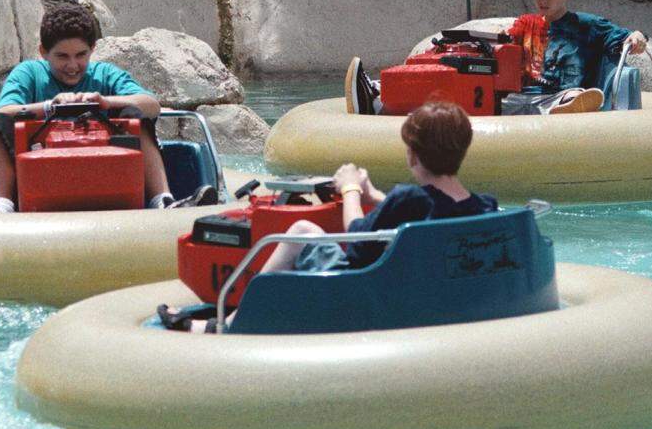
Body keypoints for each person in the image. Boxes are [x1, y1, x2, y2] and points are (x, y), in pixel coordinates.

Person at [160, 101, 496, 331]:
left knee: (302, 230)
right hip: (428, 292)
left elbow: (358, 238)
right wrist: (374, 195)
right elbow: (424, 210)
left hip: (368, 291)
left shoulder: (407, 200)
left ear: (412, 155)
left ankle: (230, 323)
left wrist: (350, 189)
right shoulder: (482, 206)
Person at [0, 4, 216, 212]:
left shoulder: (106, 74)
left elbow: (152, 106)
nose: (73, 65)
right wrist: (49, 106)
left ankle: (161, 201)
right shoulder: (29, 73)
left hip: (107, 175)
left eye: (81, 55)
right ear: (44, 52)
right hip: (38, 175)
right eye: (62, 56)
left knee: (135, 114)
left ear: (93, 49)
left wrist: (106, 102)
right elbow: (3, 111)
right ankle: (1, 208)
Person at [345, 0, 648, 116]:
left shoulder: (588, 25)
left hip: (553, 95)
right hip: (512, 97)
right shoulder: (525, 25)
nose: (542, 0)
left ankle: (571, 107)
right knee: (464, 86)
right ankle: (379, 95)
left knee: (569, 97)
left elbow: (629, 40)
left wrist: (637, 38)